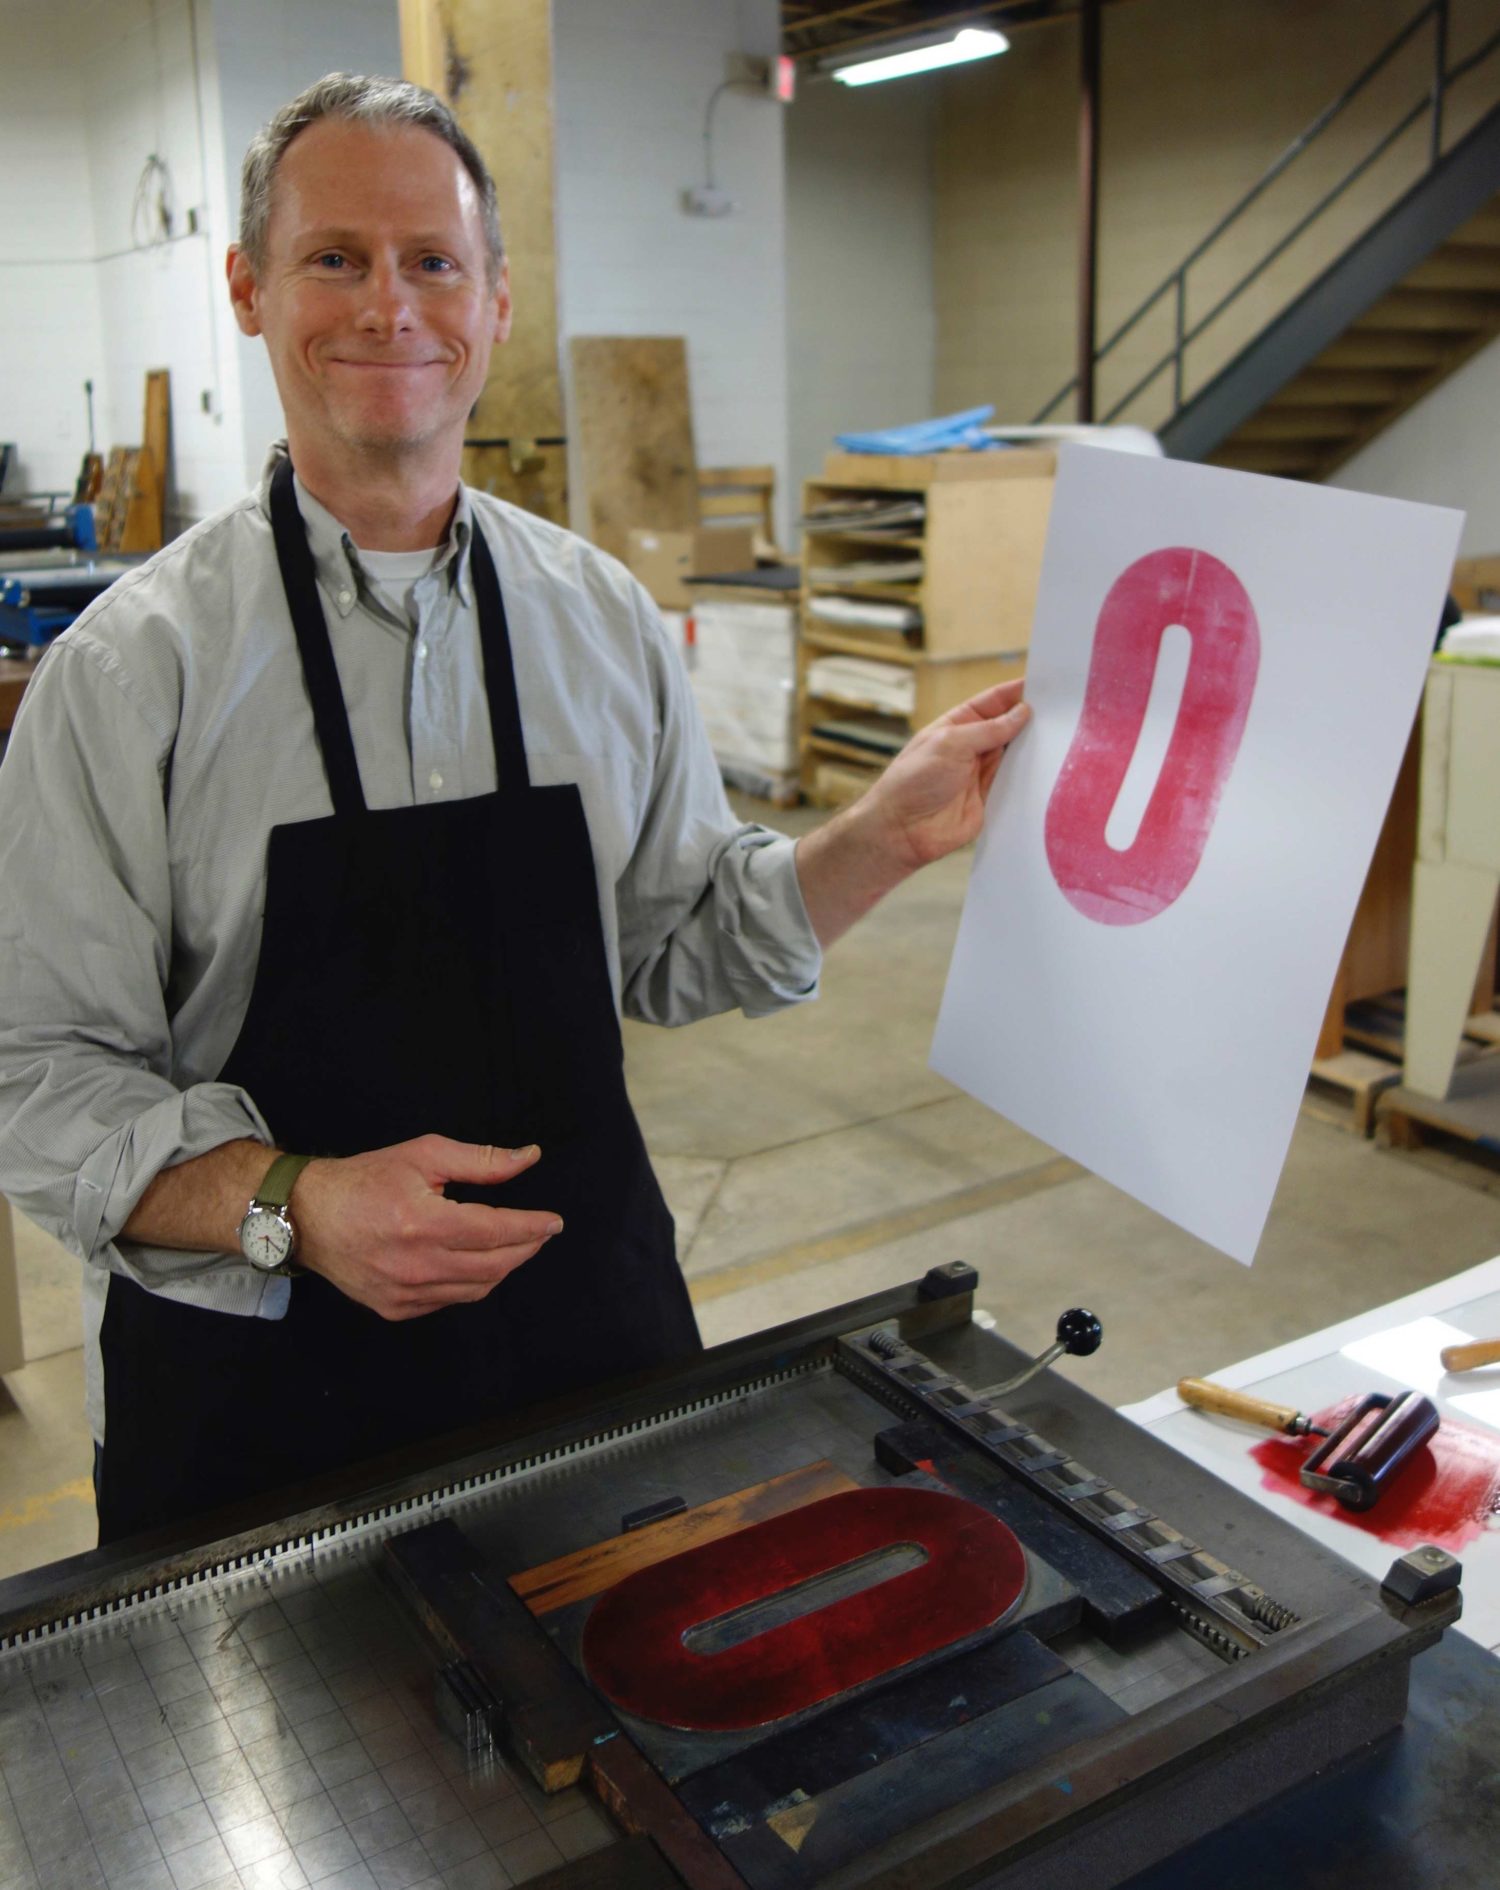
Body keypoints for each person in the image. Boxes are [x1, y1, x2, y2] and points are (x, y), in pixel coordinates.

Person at [0, 74, 1029, 1544]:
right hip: (255, 1404)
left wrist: (882, 837)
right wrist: (292, 1200)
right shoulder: (127, 675)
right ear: (248, 289)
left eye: (433, 261)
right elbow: (35, 1073)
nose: (389, 306)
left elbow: (674, 943)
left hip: (584, 1363)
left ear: (493, 300)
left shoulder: (601, 619)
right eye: (335, 257)